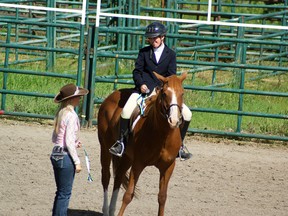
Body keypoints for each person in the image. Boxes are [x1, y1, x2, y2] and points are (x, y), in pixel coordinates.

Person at [109, 22, 192, 160]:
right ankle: (121, 142)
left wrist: (163, 89)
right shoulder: (144, 52)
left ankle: (180, 145)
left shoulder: (170, 54)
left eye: (156, 38)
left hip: (163, 93)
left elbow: (171, 76)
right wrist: (141, 84)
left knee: (187, 114)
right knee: (126, 111)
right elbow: (137, 71)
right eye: (151, 38)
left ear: (162, 37)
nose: (153, 41)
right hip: (143, 91)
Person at [50, 83, 89, 216]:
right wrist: (77, 161)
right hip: (65, 156)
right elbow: (68, 141)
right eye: (78, 97)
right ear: (72, 99)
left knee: (60, 192)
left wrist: (74, 141)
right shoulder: (72, 116)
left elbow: (56, 137)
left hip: (56, 152)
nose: (80, 99)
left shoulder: (61, 113)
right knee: (65, 194)